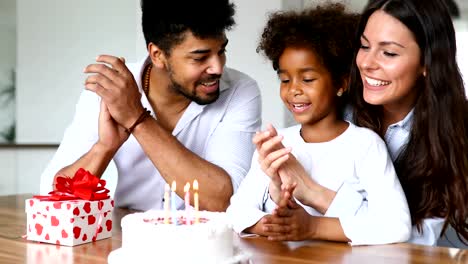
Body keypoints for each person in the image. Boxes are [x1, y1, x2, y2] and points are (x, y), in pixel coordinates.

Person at [39, 0, 261, 211]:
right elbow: (53, 198)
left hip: (203, 243)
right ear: (158, 55)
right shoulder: (108, 93)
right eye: (200, 57)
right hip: (120, 240)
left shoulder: (240, 91)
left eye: (221, 51)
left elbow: (227, 199)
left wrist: (137, 119)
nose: (218, 68)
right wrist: (104, 147)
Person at [226, 3, 411, 246]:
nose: (293, 90)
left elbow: (396, 226)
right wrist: (276, 224)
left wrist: (311, 227)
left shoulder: (365, 145)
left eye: (308, 79)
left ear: (340, 84)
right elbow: (235, 212)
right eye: (284, 79)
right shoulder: (277, 144)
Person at [349, 0, 468, 245]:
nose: (367, 63)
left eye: (389, 53)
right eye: (364, 46)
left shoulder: (456, 133)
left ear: (427, 62)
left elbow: (426, 241)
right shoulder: (342, 116)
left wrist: (321, 198)